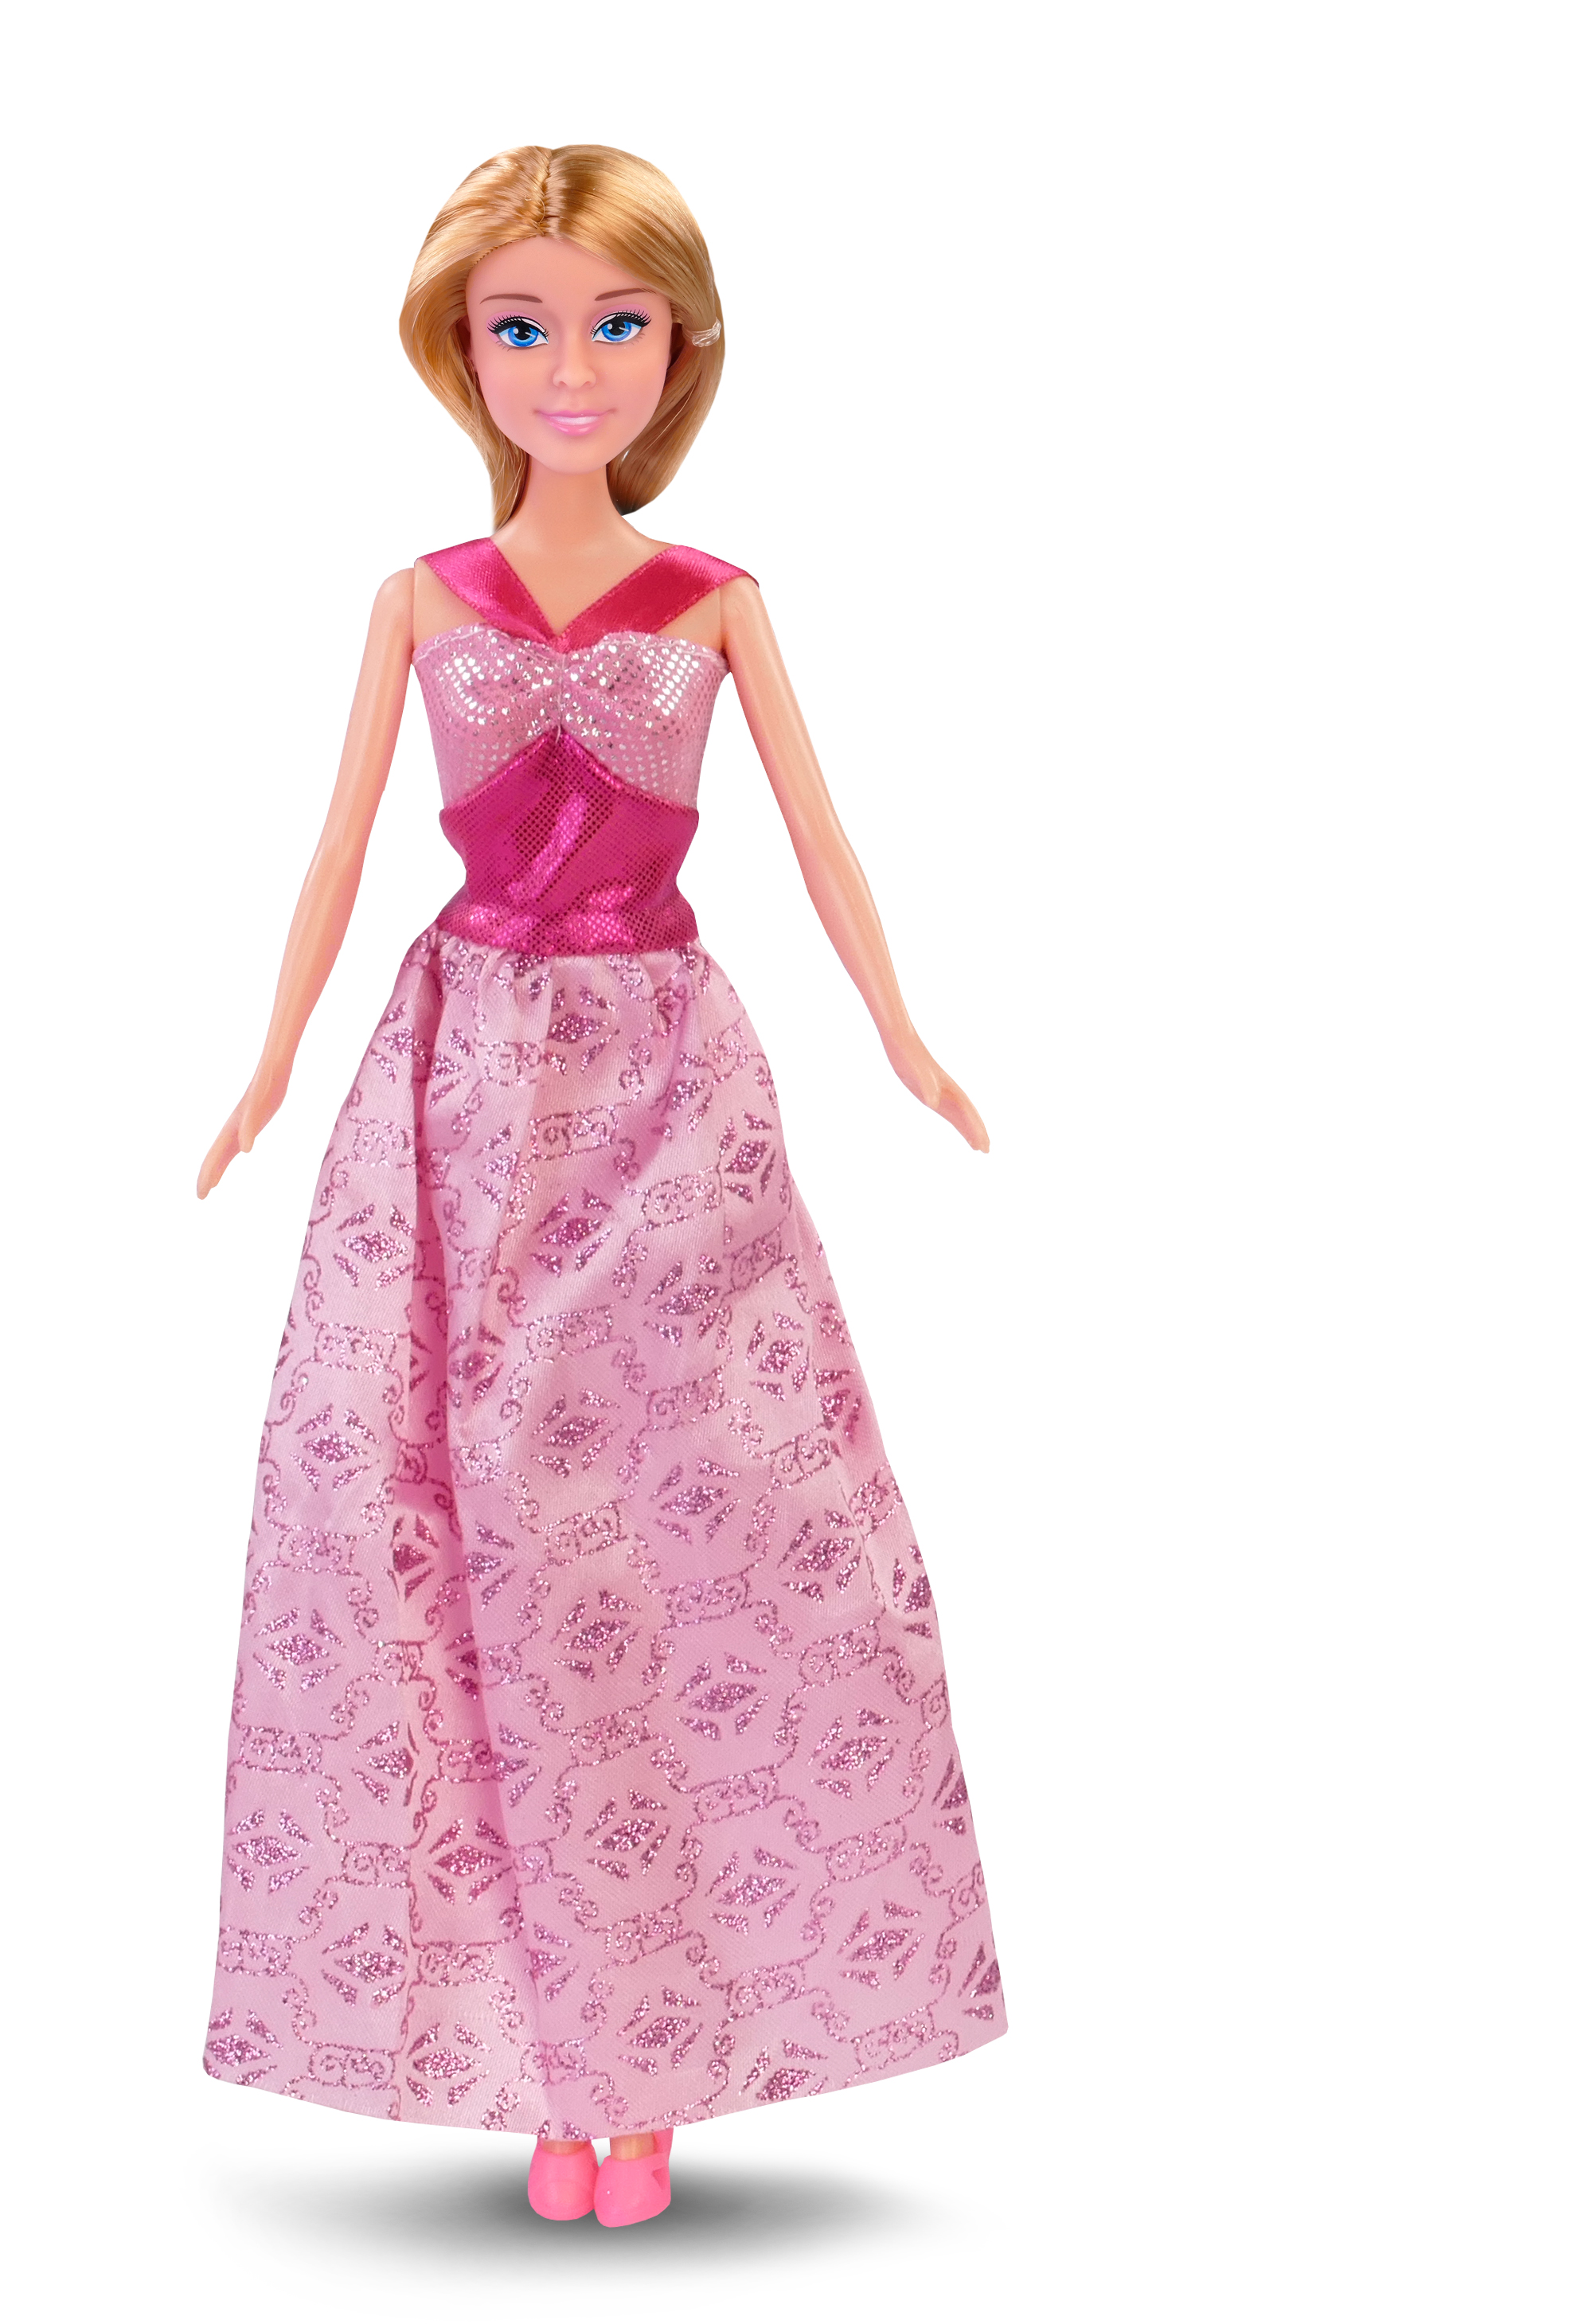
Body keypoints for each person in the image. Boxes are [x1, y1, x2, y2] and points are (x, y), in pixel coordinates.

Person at [195, 144, 1007, 2230]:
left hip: (658, 1087)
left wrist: (906, 1035)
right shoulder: (421, 599)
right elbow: (337, 847)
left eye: (615, 324)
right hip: (460, 1085)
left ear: (678, 347)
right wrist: (270, 1062)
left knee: (689, 1539)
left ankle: (653, 2064)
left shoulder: (711, 600)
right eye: (524, 327)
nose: (571, 367)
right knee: (448, 1548)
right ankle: (551, 2070)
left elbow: (820, 838)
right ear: (461, 353)